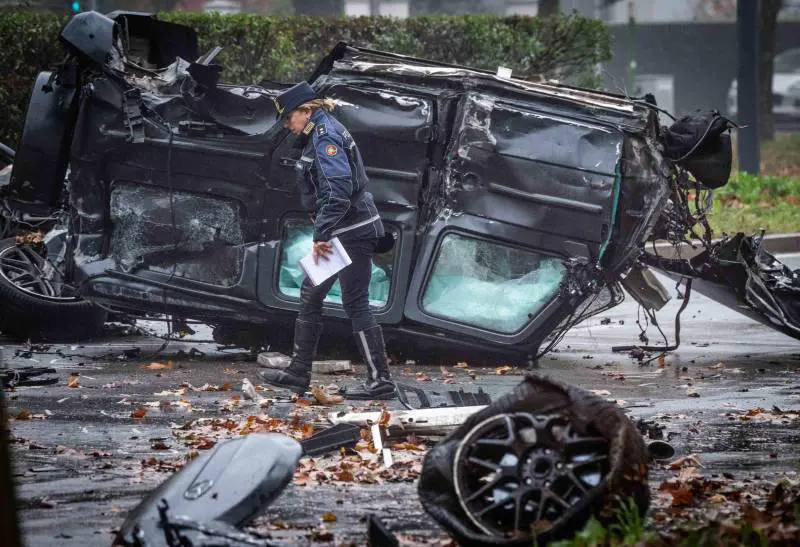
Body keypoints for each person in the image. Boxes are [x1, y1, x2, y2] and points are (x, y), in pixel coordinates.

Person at [259, 82, 396, 400]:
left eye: (289, 118)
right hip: (344, 231)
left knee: (352, 300)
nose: (287, 125)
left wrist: (320, 235)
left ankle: (380, 380)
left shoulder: (326, 137)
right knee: (313, 293)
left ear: (307, 111)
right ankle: (298, 373)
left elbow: (339, 192)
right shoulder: (318, 133)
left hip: (350, 232)